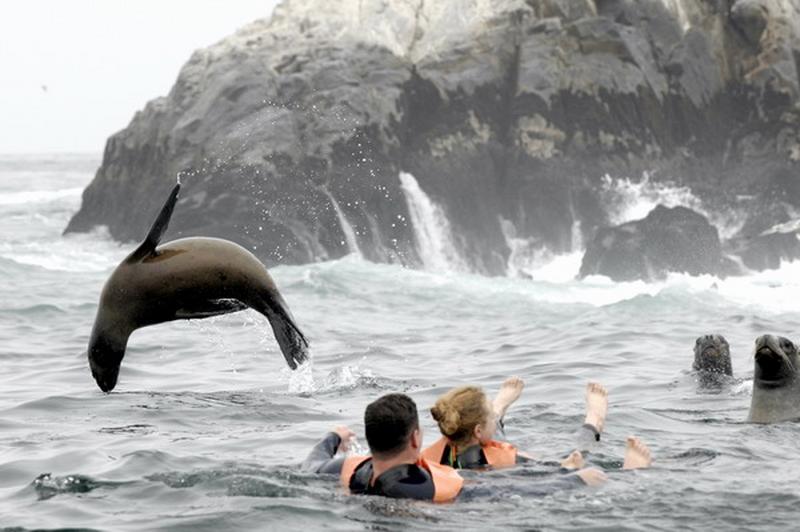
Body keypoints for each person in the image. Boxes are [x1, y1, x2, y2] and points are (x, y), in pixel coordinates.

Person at [301, 392, 608, 502]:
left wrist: (333, 436)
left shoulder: (348, 468)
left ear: (369, 440)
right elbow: (503, 493)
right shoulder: (434, 488)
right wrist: (574, 480)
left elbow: (311, 465)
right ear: (415, 439)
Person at [422, 378, 610, 470]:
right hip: (492, 462)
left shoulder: (429, 457)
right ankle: (594, 419)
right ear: (478, 430)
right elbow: (555, 469)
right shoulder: (506, 457)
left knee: (488, 439)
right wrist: (568, 465)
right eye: (490, 417)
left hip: (472, 445)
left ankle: (498, 407)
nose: (491, 423)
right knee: (579, 449)